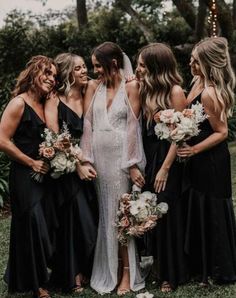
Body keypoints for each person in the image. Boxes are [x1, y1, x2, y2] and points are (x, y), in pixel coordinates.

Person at [80, 41, 146, 295]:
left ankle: (127, 274)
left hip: (120, 163)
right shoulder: (93, 88)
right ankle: (112, 269)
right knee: (106, 215)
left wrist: (131, 164)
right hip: (99, 162)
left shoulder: (131, 86)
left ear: (113, 64)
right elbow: (88, 124)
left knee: (122, 218)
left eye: (98, 65)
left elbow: (133, 127)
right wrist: (85, 159)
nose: (94, 70)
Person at [177, 37, 236, 285]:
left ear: (208, 63)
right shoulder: (197, 82)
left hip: (210, 160)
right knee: (199, 208)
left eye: (196, 61)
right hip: (199, 160)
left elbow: (222, 133)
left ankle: (219, 268)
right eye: (191, 59)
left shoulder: (210, 93)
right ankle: (202, 266)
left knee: (212, 211)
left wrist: (194, 150)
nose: (191, 64)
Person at [0, 55, 57, 298]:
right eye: (47, 73)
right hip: (24, 174)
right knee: (34, 223)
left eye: (54, 75)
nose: (52, 79)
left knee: (41, 225)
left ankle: (24, 277)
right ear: (34, 73)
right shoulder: (18, 104)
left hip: (46, 175)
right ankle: (38, 285)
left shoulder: (47, 103)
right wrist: (31, 162)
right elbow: (1, 140)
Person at [136, 43, 189, 292]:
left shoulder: (175, 92)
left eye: (142, 65)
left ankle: (172, 273)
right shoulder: (145, 91)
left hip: (167, 161)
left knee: (167, 214)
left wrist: (165, 168)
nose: (138, 69)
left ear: (156, 67)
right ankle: (157, 266)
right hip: (148, 159)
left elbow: (179, 136)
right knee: (151, 214)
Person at [44, 52, 98, 293]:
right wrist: (77, 166)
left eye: (85, 67)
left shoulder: (89, 91)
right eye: (78, 69)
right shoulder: (54, 99)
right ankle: (72, 275)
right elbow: (56, 138)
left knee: (91, 220)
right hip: (66, 171)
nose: (84, 71)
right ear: (67, 73)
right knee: (75, 223)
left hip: (90, 166)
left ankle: (86, 269)